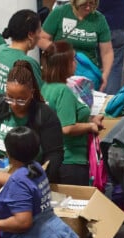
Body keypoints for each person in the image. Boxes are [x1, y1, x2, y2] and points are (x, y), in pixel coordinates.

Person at [41, 41, 104, 185]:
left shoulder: (46, 87)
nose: (76, 63)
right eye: (72, 60)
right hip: (72, 161)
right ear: (64, 65)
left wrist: (90, 120)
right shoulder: (64, 91)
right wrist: (90, 126)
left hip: (53, 159)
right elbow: (67, 127)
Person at [40, 0, 113, 91]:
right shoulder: (60, 12)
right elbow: (41, 39)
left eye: (91, 3)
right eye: (83, 4)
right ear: (74, 3)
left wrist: (105, 75)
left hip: (87, 75)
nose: (88, 7)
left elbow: (107, 52)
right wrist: (63, 52)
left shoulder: (99, 19)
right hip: (60, 71)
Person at [0, 9, 43, 96]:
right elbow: (40, 96)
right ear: (30, 35)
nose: (40, 35)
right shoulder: (28, 63)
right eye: (39, 31)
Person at [102, 0, 124, 94]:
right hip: (119, 23)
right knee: (114, 67)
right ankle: (110, 105)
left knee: (91, 63)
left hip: (94, 23)